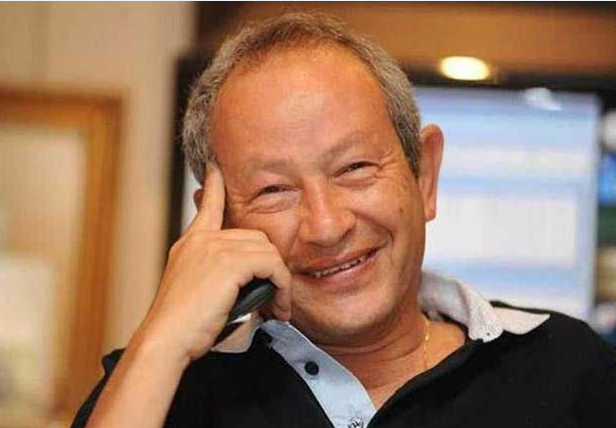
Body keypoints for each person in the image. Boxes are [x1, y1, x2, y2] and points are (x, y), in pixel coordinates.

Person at [72, 12, 616, 428]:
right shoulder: (158, 388)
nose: (327, 226)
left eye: (355, 168)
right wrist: (160, 344)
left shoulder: (569, 368)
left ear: (424, 177)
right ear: (218, 226)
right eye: (274, 190)